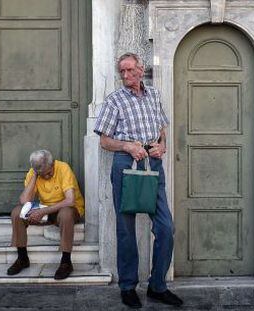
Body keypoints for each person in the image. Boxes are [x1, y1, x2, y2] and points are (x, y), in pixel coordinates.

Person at [94, 52, 183, 308]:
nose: (125, 75)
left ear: (140, 70)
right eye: (121, 71)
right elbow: (104, 141)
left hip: (152, 163)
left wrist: (162, 146)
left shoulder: (154, 95)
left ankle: (157, 286)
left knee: (165, 228)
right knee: (126, 230)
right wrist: (127, 147)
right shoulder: (114, 101)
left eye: (130, 70)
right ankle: (128, 286)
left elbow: (162, 129)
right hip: (126, 163)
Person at [7, 150, 85, 280]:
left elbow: (70, 200)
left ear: (53, 163)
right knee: (16, 213)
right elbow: (24, 200)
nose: (47, 176)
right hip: (46, 210)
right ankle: (22, 258)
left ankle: (66, 261)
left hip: (66, 209)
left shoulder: (63, 168)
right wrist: (35, 176)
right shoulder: (35, 173)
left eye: (49, 173)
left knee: (66, 214)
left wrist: (43, 211)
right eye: (43, 175)